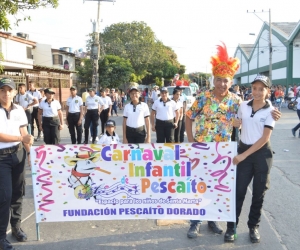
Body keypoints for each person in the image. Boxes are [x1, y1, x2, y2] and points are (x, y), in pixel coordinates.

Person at [185, 43, 281, 240]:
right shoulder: (203, 97)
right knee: (199, 185)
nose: (222, 84)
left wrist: (272, 110)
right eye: (219, 80)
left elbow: (256, 106)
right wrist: (191, 140)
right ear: (214, 80)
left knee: (217, 186)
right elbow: (188, 116)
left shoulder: (236, 101)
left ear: (230, 82)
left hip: (223, 152)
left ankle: (212, 220)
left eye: (226, 81)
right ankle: (195, 223)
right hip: (202, 149)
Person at [227, 75, 276, 243]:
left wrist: (243, 155)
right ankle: (231, 227)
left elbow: (264, 138)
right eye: (255, 88)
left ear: (268, 91)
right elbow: (239, 123)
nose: (257, 92)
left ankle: (253, 226)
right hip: (244, 150)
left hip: (261, 154)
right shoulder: (243, 106)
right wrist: (236, 124)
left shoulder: (271, 111)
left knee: (258, 194)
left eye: (261, 89)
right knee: (238, 192)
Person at [0, 78, 34, 250]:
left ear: (14, 92)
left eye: (9, 90)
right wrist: (22, 138)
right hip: (2, 158)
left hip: (18, 153)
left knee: (18, 193)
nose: (6, 94)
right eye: (2, 90)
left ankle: (16, 227)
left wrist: (29, 153)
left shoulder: (19, 109)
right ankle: (1, 236)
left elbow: (24, 132)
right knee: (4, 196)